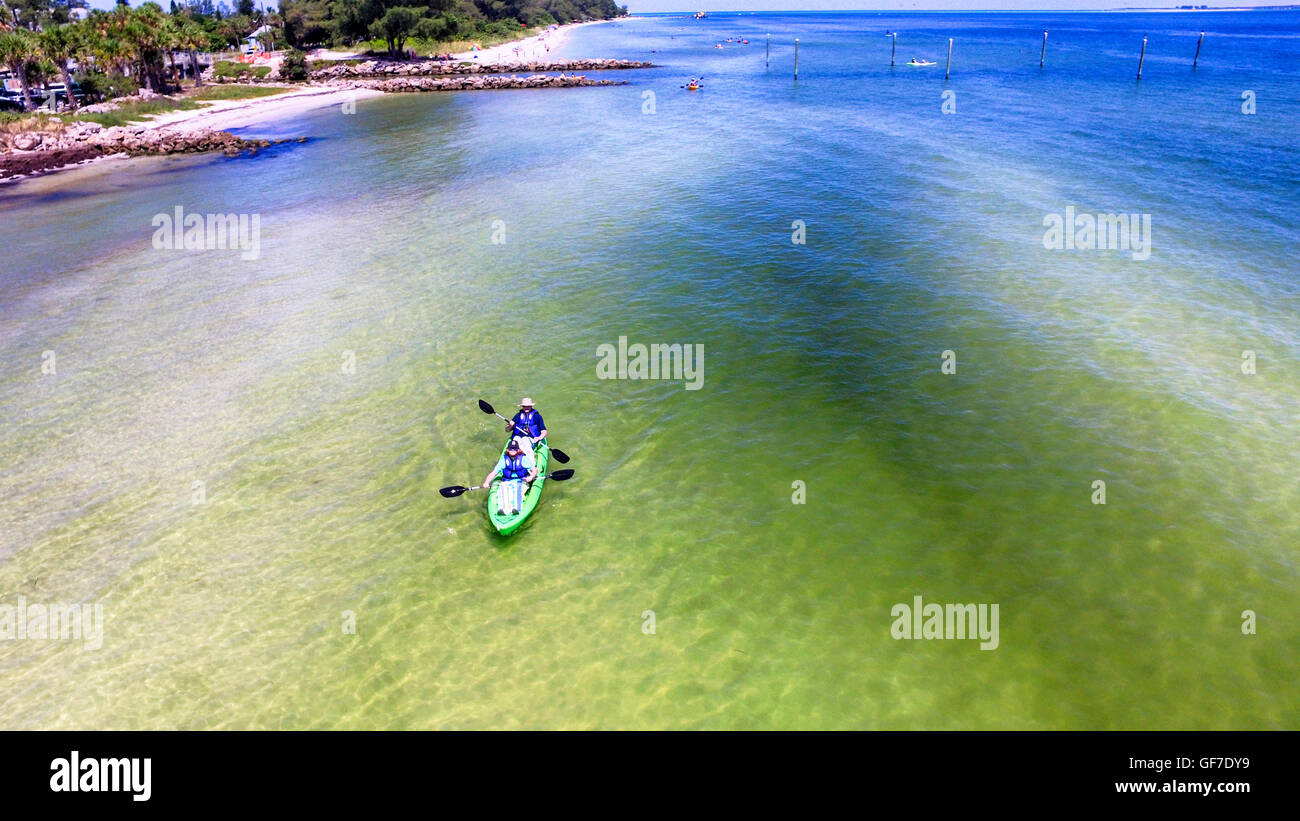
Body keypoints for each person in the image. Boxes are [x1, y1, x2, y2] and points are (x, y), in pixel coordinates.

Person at [482, 439, 537, 516]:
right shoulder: (504, 460)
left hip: (521, 481)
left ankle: (516, 509)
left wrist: (531, 477)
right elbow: (494, 473)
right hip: (507, 481)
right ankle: (502, 509)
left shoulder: (523, 459)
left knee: (518, 489)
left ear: (518, 450)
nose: (512, 450)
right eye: (511, 448)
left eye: (514, 449)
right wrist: (486, 482)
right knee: (503, 489)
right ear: (507, 450)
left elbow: (534, 470)